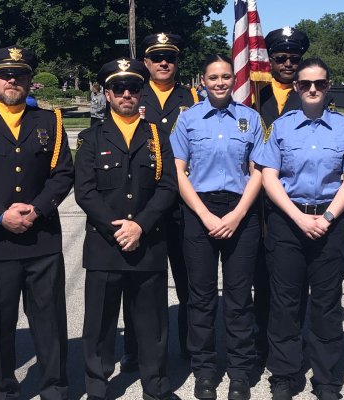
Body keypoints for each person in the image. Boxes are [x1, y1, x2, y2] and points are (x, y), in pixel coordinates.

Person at [0, 46, 74, 400]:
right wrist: (0, 215)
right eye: (4, 75)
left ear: (29, 81)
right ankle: (3, 390)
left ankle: (55, 389)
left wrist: (36, 210)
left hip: (42, 240)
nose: (12, 81)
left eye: (19, 75)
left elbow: (62, 173)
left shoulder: (50, 122)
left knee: (50, 323)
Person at [252, 58, 344, 400]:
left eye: (319, 83)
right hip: (288, 223)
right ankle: (285, 374)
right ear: (297, 88)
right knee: (285, 304)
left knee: (327, 303)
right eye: (305, 84)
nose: (312, 89)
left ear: (328, 86)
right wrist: (298, 217)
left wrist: (328, 217)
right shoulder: (280, 126)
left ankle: (327, 378)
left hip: (331, 224)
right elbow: (268, 177)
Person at [74, 58, 180, 400]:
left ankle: (156, 386)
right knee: (100, 326)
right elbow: (85, 191)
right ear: (107, 94)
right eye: (119, 89)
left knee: (152, 325)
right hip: (105, 244)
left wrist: (141, 226)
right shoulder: (91, 137)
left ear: (141, 92)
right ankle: (97, 387)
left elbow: (168, 186)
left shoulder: (157, 136)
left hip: (148, 243)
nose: (126, 95)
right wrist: (117, 228)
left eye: (133, 88)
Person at [171, 54, 264, 400]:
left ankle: (240, 371)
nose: (221, 82)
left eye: (226, 76)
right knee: (202, 297)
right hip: (200, 210)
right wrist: (206, 215)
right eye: (214, 78)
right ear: (203, 82)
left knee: (240, 298)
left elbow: (258, 170)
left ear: (233, 80)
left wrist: (238, 214)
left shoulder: (250, 118)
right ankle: (205, 371)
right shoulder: (188, 120)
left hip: (241, 211)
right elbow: (179, 172)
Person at [124, 32, 198, 370]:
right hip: (144, 203)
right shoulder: (133, 94)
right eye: (157, 57)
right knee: (138, 282)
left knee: (189, 282)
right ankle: (135, 349)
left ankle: (189, 345)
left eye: (170, 57)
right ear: (146, 62)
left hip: (183, 204)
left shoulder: (193, 96)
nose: (164, 62)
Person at [254, 25, 310, 367]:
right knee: (260, 272)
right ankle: (262, 340)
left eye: (294, 58)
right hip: (254, 198)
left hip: (293, 199)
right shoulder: (252, 92)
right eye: (280, 58)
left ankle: (293, 338)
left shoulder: (310, 93)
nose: (288, 63)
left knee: (294, 278)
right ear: (269, 60)